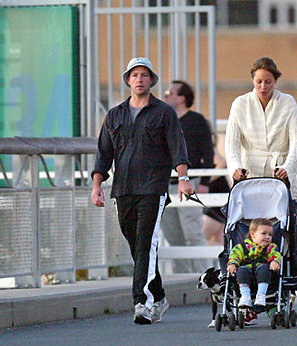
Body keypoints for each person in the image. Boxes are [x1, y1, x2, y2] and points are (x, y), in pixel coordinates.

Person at [91, 57, 194, 325]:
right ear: (128, 80)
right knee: (137, 246)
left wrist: (183, 177)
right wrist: (96, 185)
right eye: (134, 75)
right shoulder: (114, 115)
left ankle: (143, 303)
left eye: (144, 75)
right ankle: (158, 295)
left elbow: (177, 146)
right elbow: (104, 152)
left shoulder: (163, 112)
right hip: (122, 188)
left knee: (146, 243)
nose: (139, 79)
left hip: (153, 187)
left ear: (151, 80)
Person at [225, 56, 297, 287]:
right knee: (245, 230)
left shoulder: (288, 103)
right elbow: (231, 142)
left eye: (268, 82)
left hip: (279, 176)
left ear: (276, 81)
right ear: (253, 80)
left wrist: (288, 168)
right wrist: (234, 168)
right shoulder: (240, 104)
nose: (263, 87)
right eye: (259, 82)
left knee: (286, 229)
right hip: (250, 177)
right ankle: (243, 274)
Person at [162, 80, 214, 273]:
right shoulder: (164, 119)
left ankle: (205, 275)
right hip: (165, 183)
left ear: (182, 98)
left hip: (190, 181)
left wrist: (205, 182)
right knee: (172, 234)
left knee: (192, 232)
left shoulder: (196, 121)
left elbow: (207, 153)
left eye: (169, 93)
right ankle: (182, 277)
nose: (165, 96)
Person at [227, 218, 281, 307]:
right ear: (253, 234)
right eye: (264, 233)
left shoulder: (270, 247)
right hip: (246, 273)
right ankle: (245, 296)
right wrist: (232, 264)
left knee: (264, 268)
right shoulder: (241, 247)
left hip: (263, 273)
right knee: (242, 270)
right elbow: (234, 255)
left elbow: (275, 254)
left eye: (270, 234)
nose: (268, 237)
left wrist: (275, 261)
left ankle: (261, 295)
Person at [201, 147, 230, 246]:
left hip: (219, 203)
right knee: (217, 240)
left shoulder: (209, 149)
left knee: (200, 237)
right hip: (217, 202)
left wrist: (204, 181)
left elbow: (222, 163)